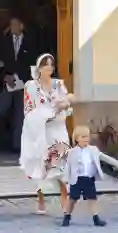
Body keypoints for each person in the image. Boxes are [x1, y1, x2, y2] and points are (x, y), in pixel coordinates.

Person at [20, 53, 74, 214]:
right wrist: (41, 117)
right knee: (40, 164)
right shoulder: (31, 86)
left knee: (61, 163)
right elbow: (28, 108)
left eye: (51, 64)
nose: (49, 67)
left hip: (57, 128)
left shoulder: (59, 84)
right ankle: (41, 198)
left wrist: (63, 107)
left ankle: (64, 199)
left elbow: (68, 107)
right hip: (40, 130)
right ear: (39, 67)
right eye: (46, 64)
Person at [0, 16, 37, 153]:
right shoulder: (4, 42)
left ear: (22, 26)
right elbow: (2, 62)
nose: (13, 27)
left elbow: (32, 63)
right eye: (11, 24)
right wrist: (5, 76)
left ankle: (18, 145)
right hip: (7, 83)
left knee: (20, 113)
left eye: (15, 24)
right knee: (2, 107)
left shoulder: (30, 42)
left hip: (23, 83)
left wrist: (19, 77)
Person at [62, 126, 107, 227]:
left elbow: (104, 157)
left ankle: (96, 218)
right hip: (77, 179)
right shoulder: (72, 152)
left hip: (89, 178)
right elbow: (68, 166)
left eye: (87, 137)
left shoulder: (93, 150)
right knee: (72, 199)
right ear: (77, 138)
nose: (86, 139)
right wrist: (65, 178)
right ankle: (67, 216)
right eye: (83, 137)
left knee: (92, 199)